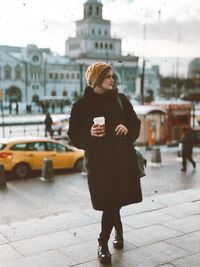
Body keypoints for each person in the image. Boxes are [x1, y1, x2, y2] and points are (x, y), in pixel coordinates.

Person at [68, 62, 142, 264]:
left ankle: (102, 242)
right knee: (110, 202)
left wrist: (127, 128)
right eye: (108, 76)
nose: (112, 79)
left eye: (112, 75)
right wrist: (89, 134)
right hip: (99, 165)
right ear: (96, 80)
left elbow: (135, 124)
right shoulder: (81, 106)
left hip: (121, 161)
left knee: (112, 201)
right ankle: (117, 231)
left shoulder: (121, 100)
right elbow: (73, 136)